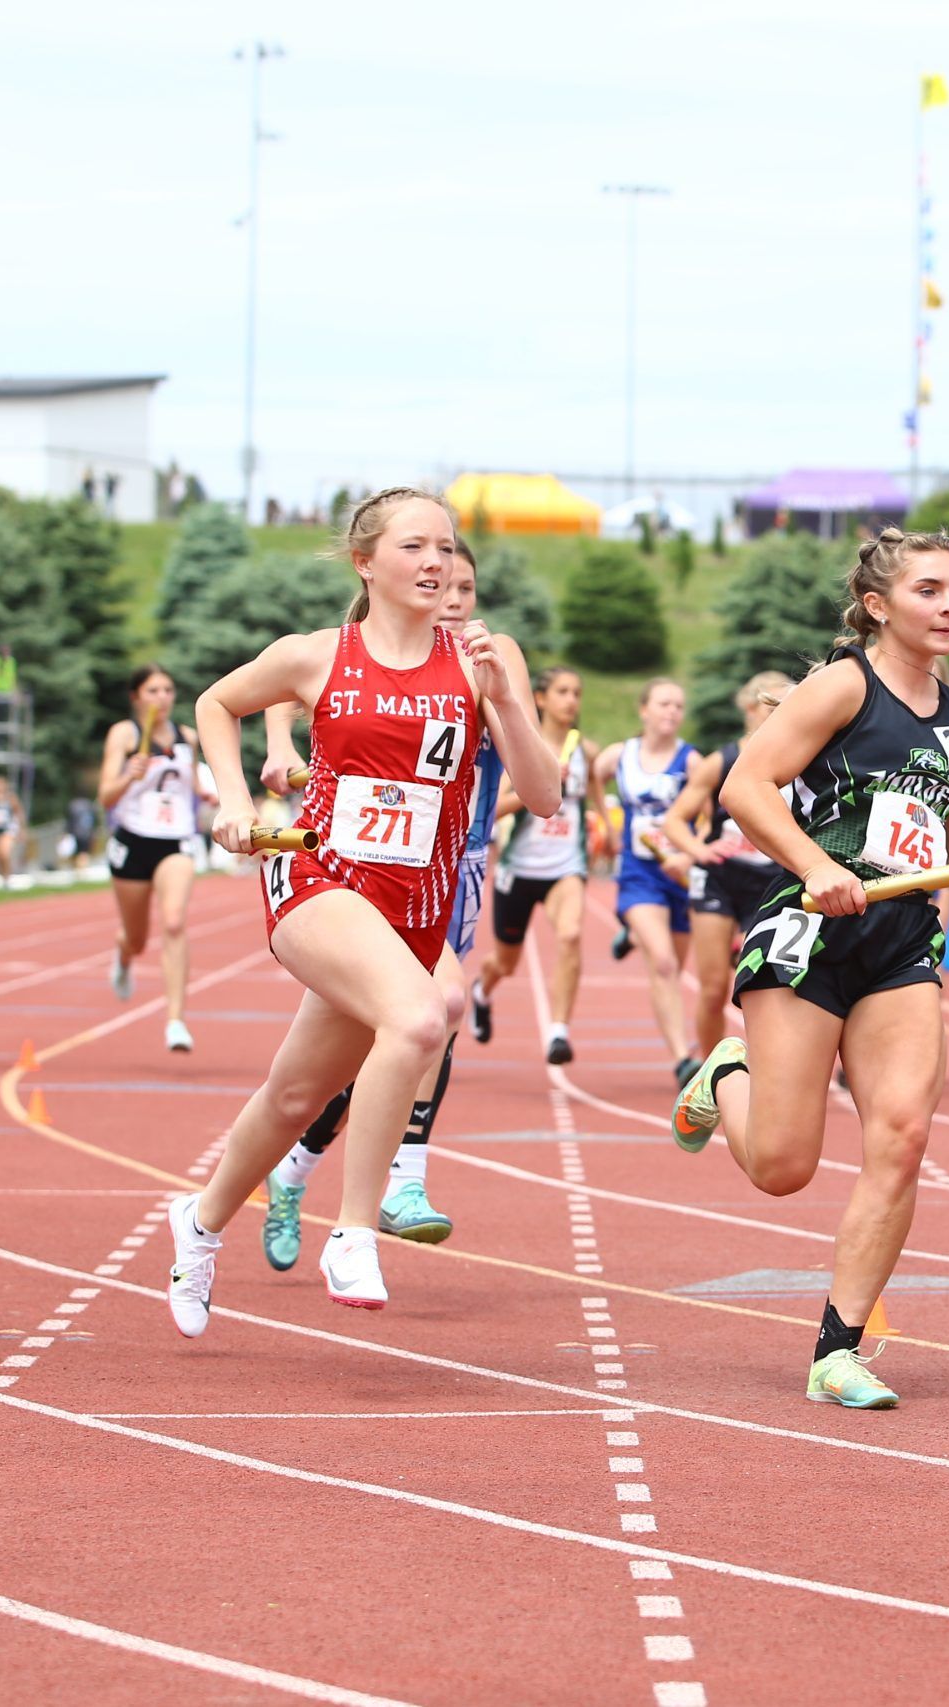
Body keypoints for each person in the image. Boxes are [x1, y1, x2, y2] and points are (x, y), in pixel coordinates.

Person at [670, 527, 949, 1409]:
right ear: (881, 605)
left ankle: (838, 1349)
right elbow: (746, 786)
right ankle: (727, 1071)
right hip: (809, 930)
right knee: (782, 1167)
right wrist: (817, 864)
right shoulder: (843, 684)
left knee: (904, 1133)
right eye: (931, 590)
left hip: (900, 945)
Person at [165, 487, 556, 1330]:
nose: (436, 563)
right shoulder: (316, 656)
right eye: (415, 546)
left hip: (413, 907)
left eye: (447, 548)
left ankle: (196, 1224)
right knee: (424, 1016)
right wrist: (234, 798)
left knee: (294, 1092)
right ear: (366, 562)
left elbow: (544, 792)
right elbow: (214, 703)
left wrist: (508, 702)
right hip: (318, 881)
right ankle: (352, 1227)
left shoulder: (488, 657)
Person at [258, 549, 523, 1264]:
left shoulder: (485, 663)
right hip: (366, 878)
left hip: (452, 874)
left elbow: (528, 770)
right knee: (415, 1019)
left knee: (416, 1031)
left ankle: (305, 1171)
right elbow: (283, 683)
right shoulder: (363, 653)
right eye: (446, 584)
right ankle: (387, 1179)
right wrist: (282, 744)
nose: (456, 598)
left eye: (469, 586)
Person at [662, 672, 796, 1065]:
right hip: (720, 877)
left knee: (772, 984)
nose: (778, 714)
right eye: (771, 705)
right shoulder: (721, 761)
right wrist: (697, 851)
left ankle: (774, 1068)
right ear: (751, 709)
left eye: (786, 707)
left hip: (771, 881)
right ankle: (709, 1074)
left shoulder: (800, 758)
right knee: (713, 986)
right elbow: (675, 820)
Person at [469, 666, 595, 1063]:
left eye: (576, 692)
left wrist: (606, 829)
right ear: (540, 698)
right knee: (505, 963)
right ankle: (481, 991)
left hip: (565, 868)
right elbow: (493, 810)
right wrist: (537, 785)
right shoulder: (523, 744)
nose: (571, 700)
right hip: (518, 869)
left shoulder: (584, 751)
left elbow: (594, 799)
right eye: (562, 691)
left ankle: (558, 1031)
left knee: (572, 935)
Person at [100, 665, 216, 1052]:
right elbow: (106, 797)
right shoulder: (126, 734)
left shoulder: (187, 738)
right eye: (152, 690)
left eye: (167, 689)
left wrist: (209, 796)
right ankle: (123, 950)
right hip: (133, 841)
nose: (162, 697)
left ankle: (176, 1021)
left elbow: (194, 786)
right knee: (137, 938)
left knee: (173, 922)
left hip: (175, 841)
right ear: (136, 696)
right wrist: (128, 776)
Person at [597, 679, 700, 1085]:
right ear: (644, 710)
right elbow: (593, 777)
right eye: (663, 703)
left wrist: (689, 854)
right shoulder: (619, 756)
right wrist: (606, 826)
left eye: (678, 705)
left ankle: (631, 932)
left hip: (679, 876)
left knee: (675, 963)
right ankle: (681, 1058)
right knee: (663, 962)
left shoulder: (692, 762)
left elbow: (709, 816)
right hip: (639, 876)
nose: (671, 711)